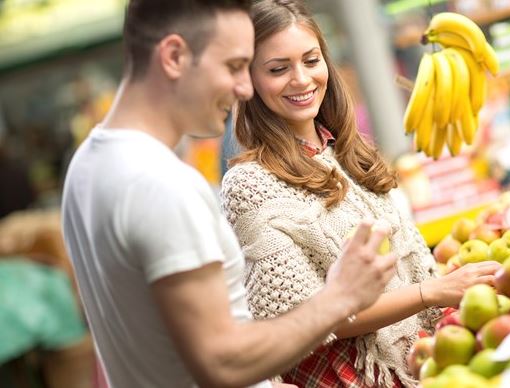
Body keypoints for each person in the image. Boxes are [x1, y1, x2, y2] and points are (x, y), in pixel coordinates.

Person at [61, 1, 397, 388]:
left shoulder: (87, 164)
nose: (244, 88)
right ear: (173, 56)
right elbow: (222, 362)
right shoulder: (160, 184)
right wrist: (339, 298)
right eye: (234, 66)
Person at [220, 0, 501, 386]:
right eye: (278, 69)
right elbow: (303, 320)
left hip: (423, 360)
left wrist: (443, 288)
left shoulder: (349, 153)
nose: (301, 79)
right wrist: (431, 291)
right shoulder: (249, 184)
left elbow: (406, 269)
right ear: (248, 82)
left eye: (311, 60)